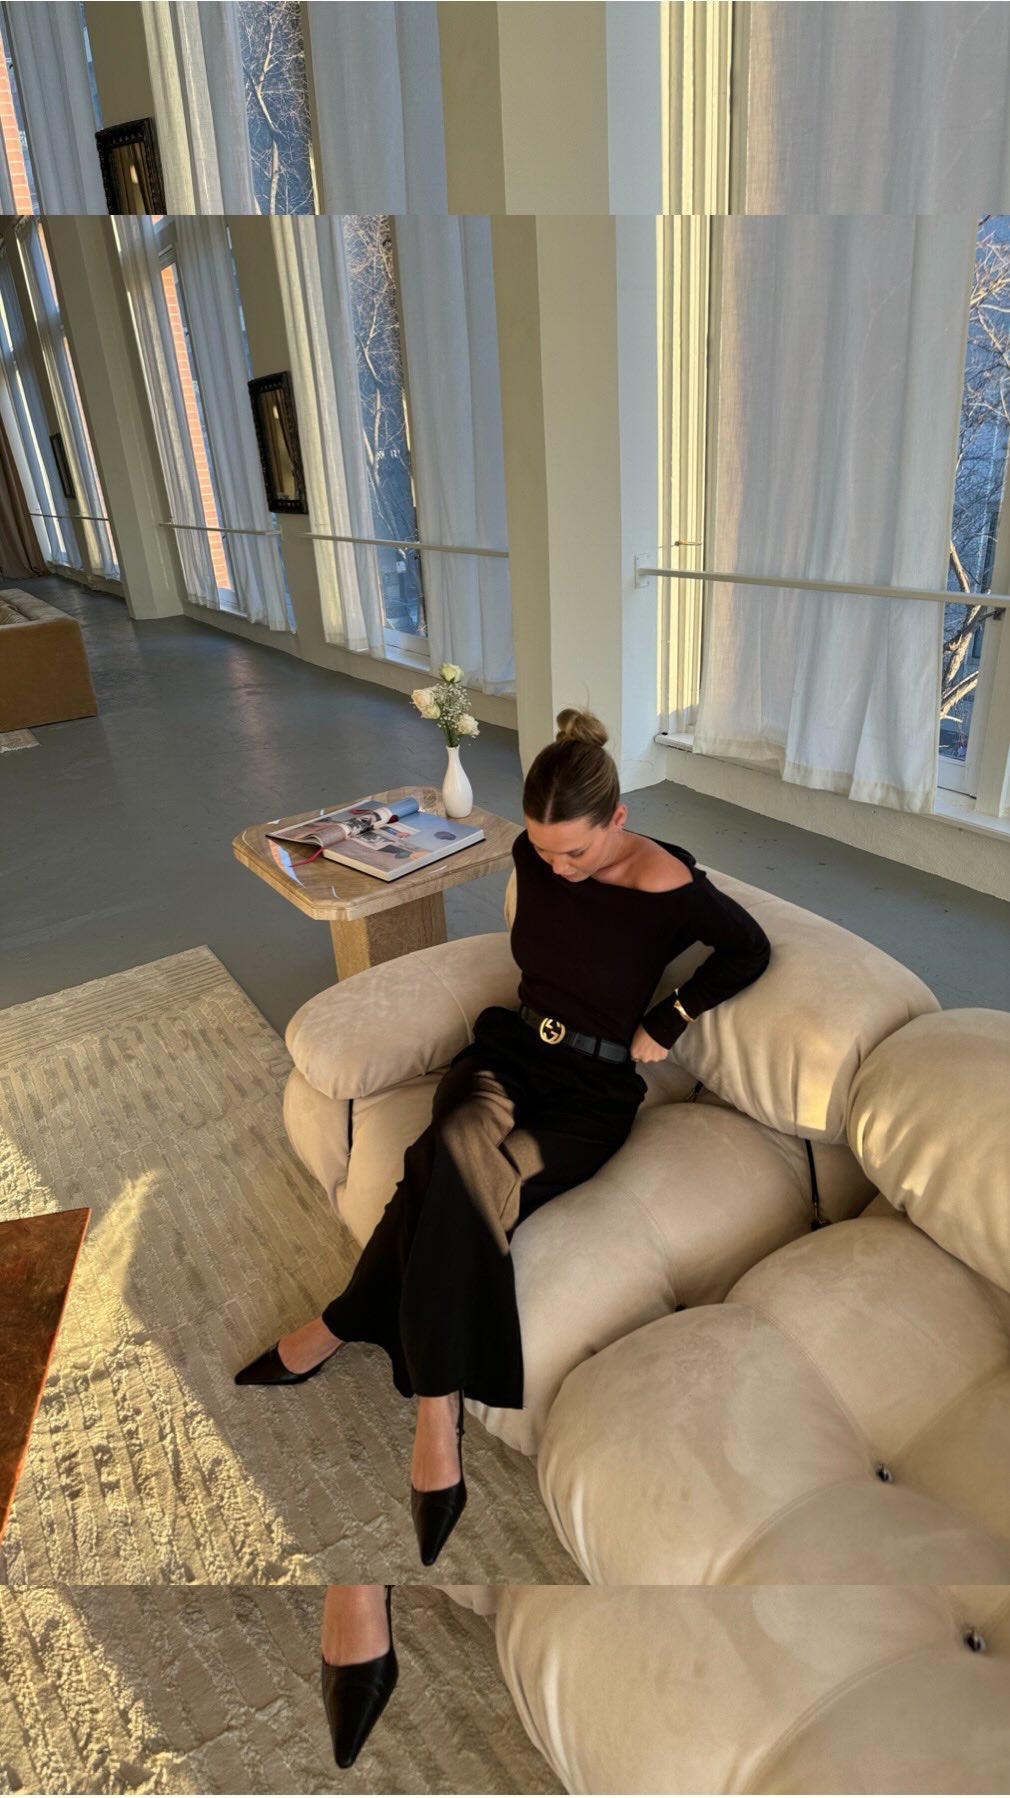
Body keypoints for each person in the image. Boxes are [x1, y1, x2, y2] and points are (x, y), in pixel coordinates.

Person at [235, 706, 772, 1584]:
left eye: (576, 853)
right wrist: (552, 869)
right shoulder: (533, 852)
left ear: (619, 819)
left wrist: (670, 1019)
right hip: (510, 1051)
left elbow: (747, 949)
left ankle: (347, 1331)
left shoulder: (668, 886)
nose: (556, 868)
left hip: (590, 1098)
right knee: (450, 1154)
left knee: (447, 1174)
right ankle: (438, 1406)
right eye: (544, 850)